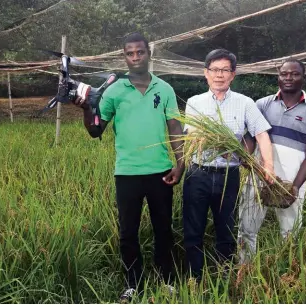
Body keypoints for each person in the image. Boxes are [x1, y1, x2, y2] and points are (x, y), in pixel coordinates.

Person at [73, 32, 184, 302]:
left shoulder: (164, 89)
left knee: (163, 228)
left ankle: (167, 279)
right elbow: (96, 131)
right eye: (129, 53)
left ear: (149, 54)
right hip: (127, 173)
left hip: (161, 171)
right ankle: (133, 283)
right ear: (124, 56)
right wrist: (87, 109)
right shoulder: (114, 90)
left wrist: (181, 164)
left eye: (140, 52)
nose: (135, 57)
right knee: (128, 232)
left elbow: (174, 128)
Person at [182, 49, 275, 282]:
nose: (219, 75)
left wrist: (268, 166)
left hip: (228, 176)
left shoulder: (245, 103)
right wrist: (207, 141)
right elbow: (191, 138)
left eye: (225, 70)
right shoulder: (194, 103)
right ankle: (195, 277)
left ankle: (225, 276)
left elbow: (262, 134)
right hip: (198, 174)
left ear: (233, 75)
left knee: (226, 228)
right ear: (206, 73)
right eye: (214, 70)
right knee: (194, 229)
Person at [238, 59, 306, 263]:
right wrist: (245, 156)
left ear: (304, 78)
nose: (288, 78)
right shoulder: (262, 104)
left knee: (289, 230)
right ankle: (244, 267)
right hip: (260, 174)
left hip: (291, 180)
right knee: (247, 226)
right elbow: (251, 138)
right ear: (278, 77)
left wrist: (294, 186)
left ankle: (284, 272)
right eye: (284, 74)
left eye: (294, 74)